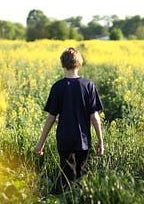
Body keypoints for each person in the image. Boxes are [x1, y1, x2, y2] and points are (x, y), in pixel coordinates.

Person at [34, 47, 104, 191]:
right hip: (83, 140)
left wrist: (41, 143)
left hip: (64, 140)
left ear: (62, 64)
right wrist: (101, 142)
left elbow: (51, 118)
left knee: (67, 178)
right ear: (80, 63)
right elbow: (95, 117)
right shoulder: (88, 85)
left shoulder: (58, 87)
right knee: (82, 178)